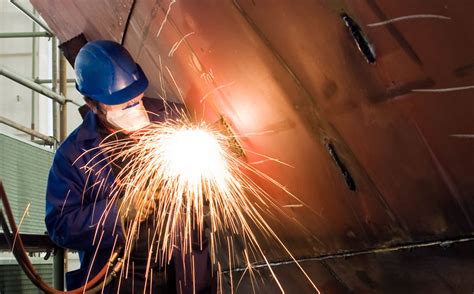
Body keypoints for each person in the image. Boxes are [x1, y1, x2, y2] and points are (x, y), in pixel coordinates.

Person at [45, 40, 214, 293]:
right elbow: (60, 225)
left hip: (185, 269)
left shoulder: (173, 118)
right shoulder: (74, 155)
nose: (135, 108)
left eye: (136, 97)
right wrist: (118, 211)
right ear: (92, 103)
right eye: (123, 104)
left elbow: (214, 188)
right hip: (124, 276)